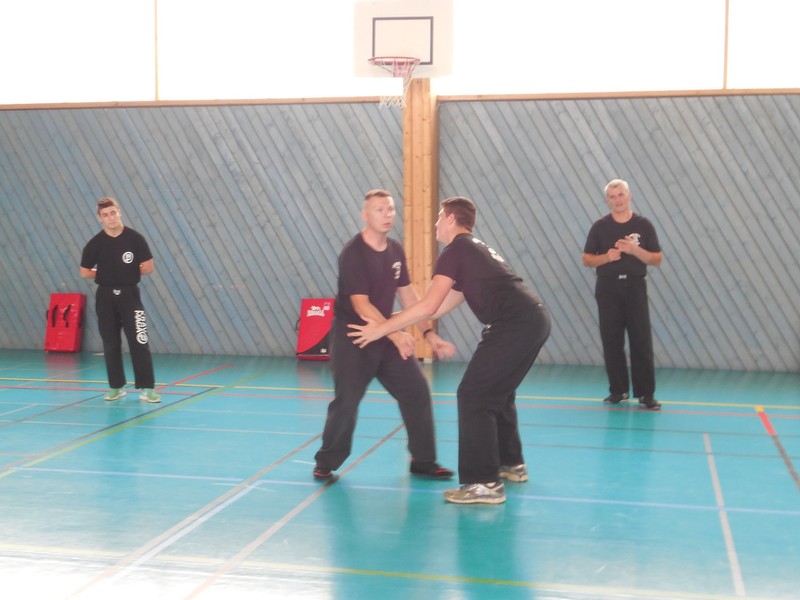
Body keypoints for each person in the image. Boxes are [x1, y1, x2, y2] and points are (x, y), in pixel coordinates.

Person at [348, 196, 550, 505]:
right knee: (498, 392)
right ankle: (511, 463)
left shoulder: (455, 251)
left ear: (452, 220)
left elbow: (428, 306)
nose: (436, 224)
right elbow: (438, 307)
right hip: (533, 320)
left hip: (515, 325)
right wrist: (394, 323)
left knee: (473, 395)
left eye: (439, 218)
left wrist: (381, 329)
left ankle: (483, 483)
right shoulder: (473, 250)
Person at [313, 189, 455, 481]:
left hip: (386, 333)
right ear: (365, 215)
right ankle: (327, 461)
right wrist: (396, 335)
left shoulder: (395, 250)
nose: (387, 215)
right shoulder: (353, 253)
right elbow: (361, 304)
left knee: (416, 391)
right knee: (347, 402)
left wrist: (428, 333)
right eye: (379, 210)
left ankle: (423, 460)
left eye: (390, 209)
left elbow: (408, 296)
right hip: (354, 337)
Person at [582, 178, 663, 411]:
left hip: (635, 287)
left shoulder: (643, 225)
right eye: (612, 196)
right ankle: (618, 391)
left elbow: (656, 259)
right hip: (608, 288)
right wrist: (607, 257)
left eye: (621, 195)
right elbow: (587, 259)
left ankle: (646, 394)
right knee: (612, 340)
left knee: (641, 340)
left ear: (629, 196)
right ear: (607, 200)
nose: (617, 200)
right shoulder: (600, 227)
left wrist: (634, 250)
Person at [80, 197, 161, 403]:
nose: (110, 218)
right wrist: (108, 274)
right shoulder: (95, 244)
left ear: (119, 212)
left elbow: (148, 267)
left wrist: (126, 273)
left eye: (113, 213)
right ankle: (116, 386)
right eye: (105, 215)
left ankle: (147, 388)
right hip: (105, 297)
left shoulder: (135, 239)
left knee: (139, 340)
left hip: (130, 295)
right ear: (100, 218)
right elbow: (85, 272)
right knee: (110, 342)